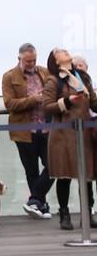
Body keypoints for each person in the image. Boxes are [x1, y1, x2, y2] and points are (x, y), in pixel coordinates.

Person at [42, 48, 97, 231]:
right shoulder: (53, 80)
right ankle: (64, 214)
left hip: (84, 133)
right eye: (61, 51)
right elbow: (47, 107)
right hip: (63, 135)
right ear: (56, 61)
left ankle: (87, 213)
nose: (66, 52)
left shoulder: (82, 77)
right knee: (63, 176)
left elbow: (94, 102)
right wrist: (67, 101)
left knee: (87, 175)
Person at [1, 44, 52, 219]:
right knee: (31, 170)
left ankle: (34, 200)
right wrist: (33, 99)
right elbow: (10, 104)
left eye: (34, 60)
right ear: (19, 59)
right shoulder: (9, 77)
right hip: (24, 130)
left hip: (47, 128)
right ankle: (41, 205)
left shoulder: (44, 72)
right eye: (28, 61)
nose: (31, 64)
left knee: (52, 166)